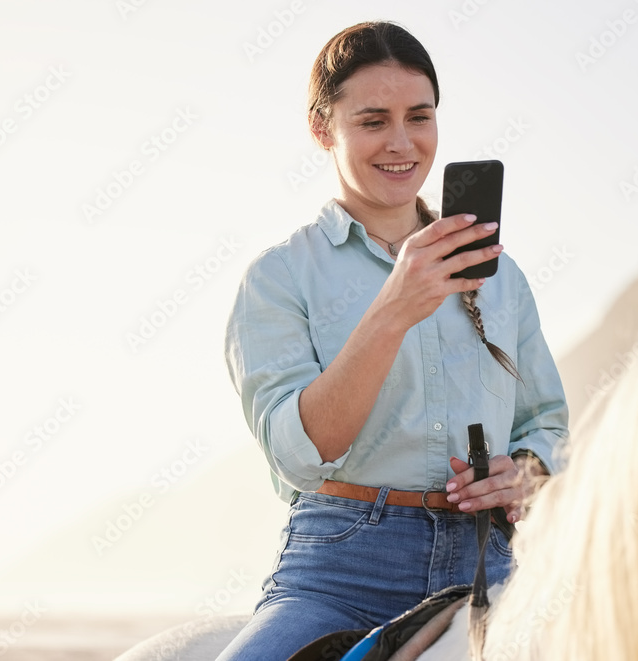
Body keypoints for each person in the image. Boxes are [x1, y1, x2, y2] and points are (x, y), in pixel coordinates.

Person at [217, 21, 568, 660]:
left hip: (495, 564)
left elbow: (548, 421)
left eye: (420, 117)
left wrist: (526, 474)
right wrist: (391, 311)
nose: (402, 143)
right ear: (323, 130)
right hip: (341, 572)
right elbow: (300, 456)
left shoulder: (502, 277)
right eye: (373, 121)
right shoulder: (279, 277)